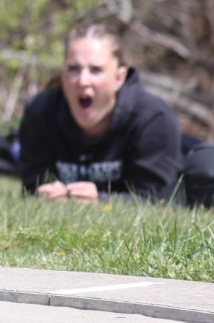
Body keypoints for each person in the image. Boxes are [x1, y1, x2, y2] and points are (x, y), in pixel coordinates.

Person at [14, 23, 181, 203]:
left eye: (96, 70)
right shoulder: (41, 112)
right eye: (74, 69)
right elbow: (31, 184)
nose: (83, 81)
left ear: (119, 77)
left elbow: (154, 199)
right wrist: (46, 191)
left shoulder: (153, 119)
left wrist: (102, 199)